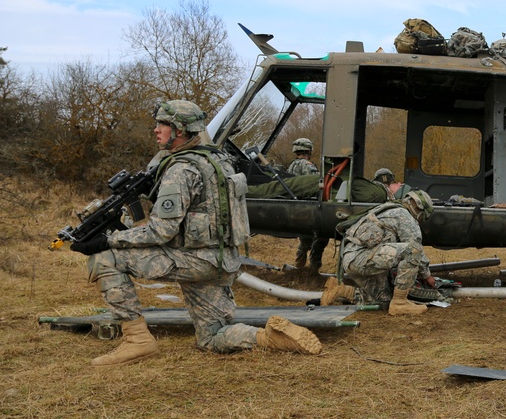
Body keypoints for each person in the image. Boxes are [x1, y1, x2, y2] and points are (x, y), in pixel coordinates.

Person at [69, 100, 321, 366]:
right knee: (212, 337)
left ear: (180, 130)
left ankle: (137, 340)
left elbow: (160, 232)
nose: (156, 130)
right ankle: (268, 338)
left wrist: (108, 239)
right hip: (222, 261)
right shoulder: (217, 160)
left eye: (163, 125)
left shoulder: (180, 170)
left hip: (195, 261)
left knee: (105, 258)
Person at [327, 190, 435, 316]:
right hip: (363, 258)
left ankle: (343, 291)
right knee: (412, 251)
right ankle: (400, 303)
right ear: (419, 209)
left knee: (384, 300)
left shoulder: (386, 208)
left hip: (353, 260)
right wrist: (427, 275)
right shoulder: (404, 216)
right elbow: (416, 250)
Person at [287, 137, 329, 271]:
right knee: (317, 238)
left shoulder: (292, 165)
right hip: (307, 206)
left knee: (304, 240)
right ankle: (311, 269)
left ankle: (299, 267)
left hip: (296, 206)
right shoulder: (307, 165)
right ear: (308, 150)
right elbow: (316, 184)